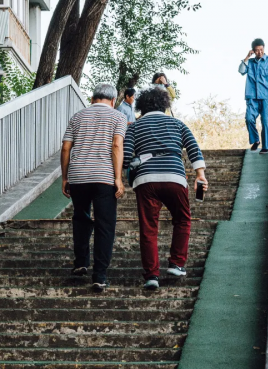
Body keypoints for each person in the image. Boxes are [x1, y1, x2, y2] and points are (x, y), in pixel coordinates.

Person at [123, 86, 207, 291]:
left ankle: (152, 275)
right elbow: (193, 148)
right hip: (174, 177)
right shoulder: (177, 123)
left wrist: (127, 170)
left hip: (146, 180)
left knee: (148, 228)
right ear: (165, 105)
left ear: (141, 107)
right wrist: (200, 175)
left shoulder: (135, 127)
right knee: (182, 219)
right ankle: (176, 264)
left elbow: (125, 156)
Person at [60, 82, 127, 292]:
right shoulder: (118, 117)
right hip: (104, 178)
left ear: (92, 99)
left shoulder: (77, 117)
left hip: (78, 177)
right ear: (113, 100)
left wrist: (65, 177)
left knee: (81, 218)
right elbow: (116, 145)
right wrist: (118, 178)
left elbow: (65, 148)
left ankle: (80, 262)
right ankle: (99, 276)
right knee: (104, 225)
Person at [238, 39, 268, 154]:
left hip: (266, 96)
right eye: (257, 50)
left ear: (264, 48)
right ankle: (256, 140)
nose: (259, 52)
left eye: (261, 49)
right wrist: (247, 57)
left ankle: (265, 146)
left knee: (266, 121)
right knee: (249, 119)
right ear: (253, 50)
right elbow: (241, 70)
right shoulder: (250, 62)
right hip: (252, 96)